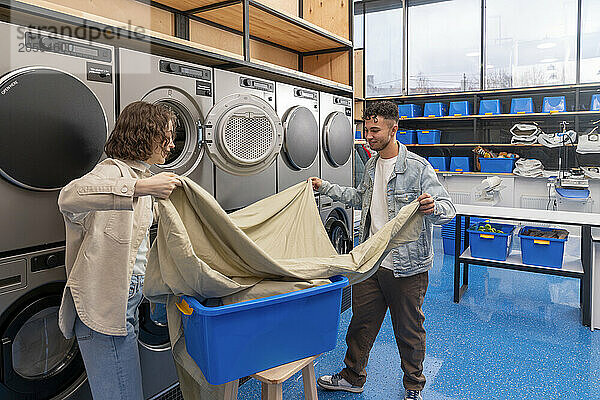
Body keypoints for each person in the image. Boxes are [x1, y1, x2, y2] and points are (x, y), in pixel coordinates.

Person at [312, 101, 456, 400]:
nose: (369, 135)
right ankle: (353, 377)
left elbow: (448, 208)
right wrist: (325, 187)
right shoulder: (371, 164)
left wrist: (432, 208)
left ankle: (413, 386)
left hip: (407, 267)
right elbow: (358, 197)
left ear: (394, 129)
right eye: (366, 129)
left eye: (375, 130)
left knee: (409, 330)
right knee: (361, 324)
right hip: (372, 262)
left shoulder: (417, 167)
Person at [57, 101, 182, 400]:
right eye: (165, 137)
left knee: (122, 391)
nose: (171, 145)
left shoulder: (142, 175)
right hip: (103, 300)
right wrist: (140, 189)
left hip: (125, 299)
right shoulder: (111, 171)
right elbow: (68, 197)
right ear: (144, 135)